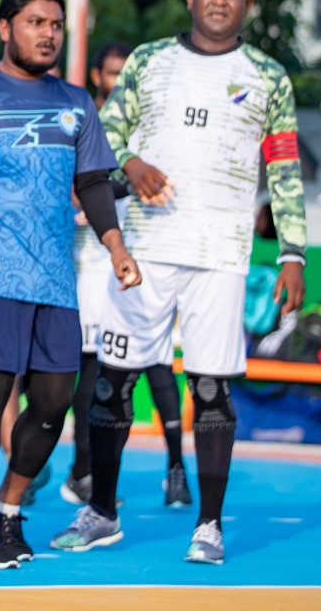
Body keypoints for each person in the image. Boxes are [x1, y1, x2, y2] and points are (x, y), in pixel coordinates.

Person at [50, 0, 306, 566]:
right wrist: (128, 164)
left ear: (247, 4)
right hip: (144, 253)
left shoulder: (270, 78)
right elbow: (101, 141)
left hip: (220, 256)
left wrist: (293, 251)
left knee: (211, 390)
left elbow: (286, 169)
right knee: (113, 384)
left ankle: (209, 526)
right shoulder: (147, 62)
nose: (219, 0)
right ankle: (103, 513)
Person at [0, 0, 140, 570]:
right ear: (6, 28)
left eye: (55, 24)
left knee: (53, 399)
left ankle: (8, 506)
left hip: (53, 273)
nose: (48, 33)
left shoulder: (76, 102)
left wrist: (117, 245)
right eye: (35, 22)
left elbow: (95, 184)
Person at [61, 43, 191, 509]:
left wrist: (109, 184)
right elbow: (80, 179)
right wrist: (84, 193)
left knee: (157, 365)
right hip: (89, 267)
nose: (118, 81)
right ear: (98, 74)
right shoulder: (81, 118)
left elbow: (125, 180)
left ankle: (176, 466)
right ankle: (81, 470)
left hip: (144, 253)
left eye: (125, 73)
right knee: (91, 371)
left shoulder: (151, 125)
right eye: (112, 72)